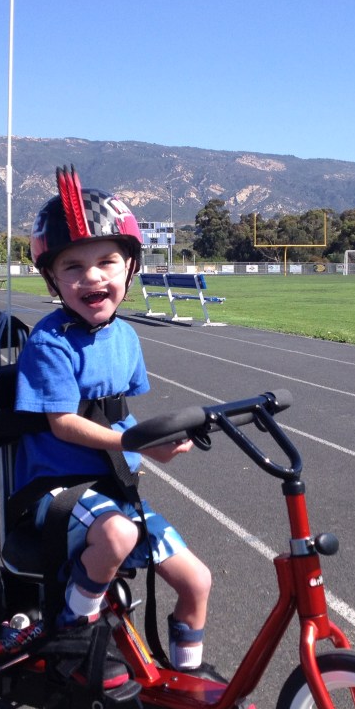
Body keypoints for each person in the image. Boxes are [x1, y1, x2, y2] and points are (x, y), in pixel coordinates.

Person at [13, 166, 211, 679]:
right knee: (119, 536)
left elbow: (122, 413)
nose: (93, 277)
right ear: (53, 278)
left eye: (107, 261)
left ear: (130, 268)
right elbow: (63, 425)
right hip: (55, 491)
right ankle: (74, 631)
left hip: (111, 491)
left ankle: (187, 676)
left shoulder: (125, 337)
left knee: (196, 580)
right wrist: (139, 444)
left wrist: (162, 435)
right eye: (74, 266)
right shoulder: (50, 342)